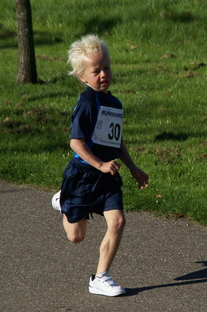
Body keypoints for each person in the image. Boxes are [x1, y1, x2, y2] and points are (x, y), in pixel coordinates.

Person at [52, 34, 149, 297]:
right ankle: (64, 201)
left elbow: (116, 141)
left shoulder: (114, 103)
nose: (103, 74)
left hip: (107, 175)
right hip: (83, 175)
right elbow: (76, 143)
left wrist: (132, 167)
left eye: (106, 68)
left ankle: (101, 277)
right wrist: (99, 164)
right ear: (82, 77)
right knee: (76, 237)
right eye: (96, 71)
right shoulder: (86, 103)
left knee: (117, 221)